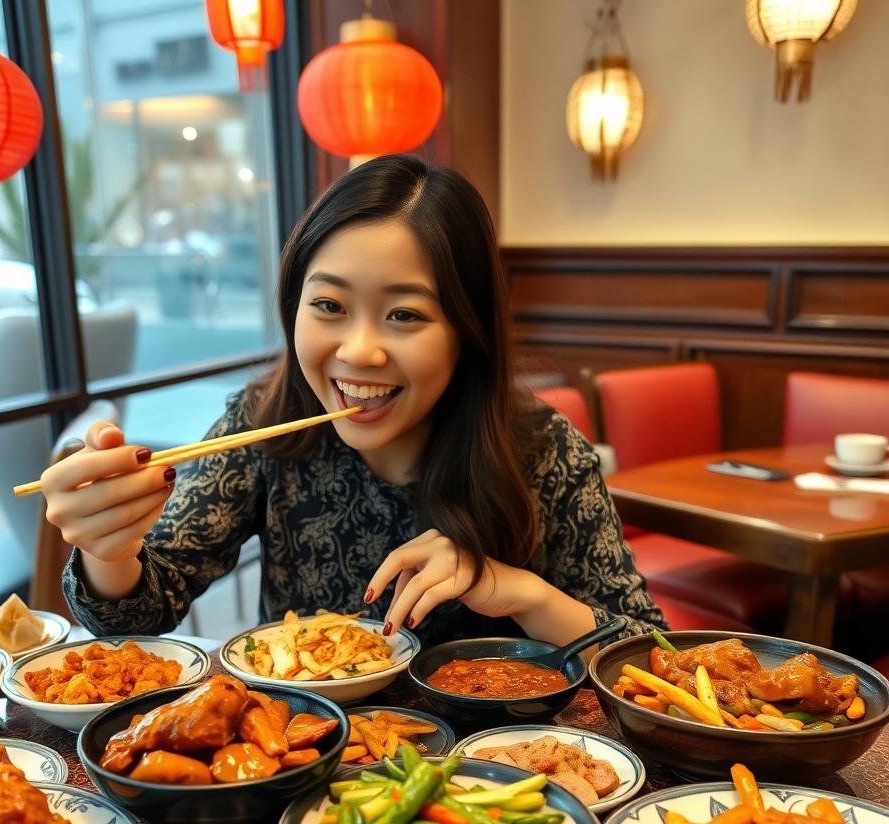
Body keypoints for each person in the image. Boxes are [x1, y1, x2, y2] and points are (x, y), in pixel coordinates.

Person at [45, 155, 665, 648]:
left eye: (404, 314)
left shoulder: (543, 451)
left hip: (493, 780)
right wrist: (112, 550)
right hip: (299, 770)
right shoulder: (265, 425)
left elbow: (652, 652)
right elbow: (139, 612)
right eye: (329, 307)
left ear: (465, 332)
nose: (360, 351)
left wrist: (521, 592)